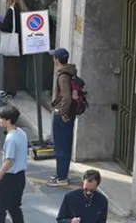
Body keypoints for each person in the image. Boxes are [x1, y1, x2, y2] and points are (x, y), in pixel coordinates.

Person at [0, 105, 28, 223]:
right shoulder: (21, 133)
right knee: (15, 208)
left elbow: (8, 161)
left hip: (8, 180)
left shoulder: (11, 139)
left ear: (8, 120)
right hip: (20, 177)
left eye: (1, 118)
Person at [47, 47, 78, 187]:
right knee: (63, 145)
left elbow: (67, 97)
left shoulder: (63, 76)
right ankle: (61, 173)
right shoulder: (69, 72)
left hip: (62, 115)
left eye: (54, 57)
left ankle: (62, 177)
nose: (53, 60)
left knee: (61, 146)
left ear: (57, 60)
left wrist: (62, 113)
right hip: (67, 115)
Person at [0, 0, 26, 97]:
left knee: (9, 67)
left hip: (12, 43)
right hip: (20, 42)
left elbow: (6, 27)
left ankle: (10, 91)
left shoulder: (11, 10)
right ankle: (11, 89)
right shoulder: (22, 9)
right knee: (15, 67)